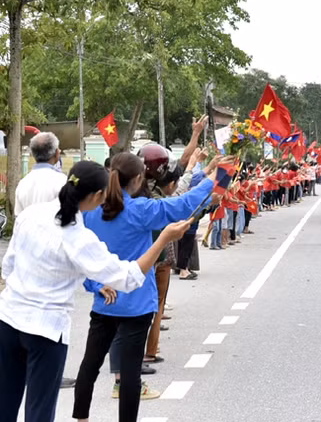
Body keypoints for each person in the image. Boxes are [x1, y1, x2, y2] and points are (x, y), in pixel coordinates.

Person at [0, 161, 191, 422]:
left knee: (5, 404)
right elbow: (128, 277)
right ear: (97, 196)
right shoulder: (78, 237)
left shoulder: (30, 215)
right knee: (39, 409)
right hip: (46, 330)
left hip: (8, 319)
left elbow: (8, 266)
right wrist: (163, 239)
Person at [72, 152, 216, 422]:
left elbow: (80, 258)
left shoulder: (90, 212)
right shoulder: (140, 210)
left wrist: (95, 284)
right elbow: (183, 205)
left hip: (104, 302)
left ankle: (81, 419)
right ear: (139, 179)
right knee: (130, 375)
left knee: (89, 366)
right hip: (136, 304)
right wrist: (215, 179)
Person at [13, 132, 79, 390]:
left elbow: (18, 220)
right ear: (56, 154)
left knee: (29, 315)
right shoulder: (62, 182)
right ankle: (51, 372)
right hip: (54, 256)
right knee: (53, 315)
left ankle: (32, 369)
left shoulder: (23, 184)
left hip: (28, 256)